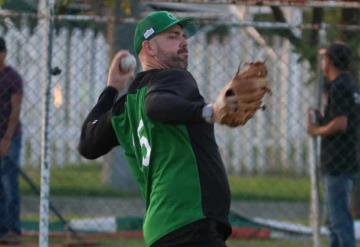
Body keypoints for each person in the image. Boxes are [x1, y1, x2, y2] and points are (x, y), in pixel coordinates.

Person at [79, 11, 265, 247]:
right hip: (189, 222)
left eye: (183, 36)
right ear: (150, 47)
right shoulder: (174, 78)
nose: (183, 42)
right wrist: (210, 111)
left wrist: (111, 89)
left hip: (163, 230)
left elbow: (88, 143)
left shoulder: (124, 109)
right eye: (172, 36)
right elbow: (155, 105)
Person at [307, 41, 360, 247]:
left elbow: (340, 123)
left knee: (338, 218)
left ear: (329, 61)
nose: (322, 62)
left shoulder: (339, 87)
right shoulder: (350, 84)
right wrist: (321, 119)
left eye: (323, 58)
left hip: (337, 162)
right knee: (333, 219)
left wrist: (316, 130)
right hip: (347, 158)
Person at [0, 37, 23, 244]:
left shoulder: (12, 78)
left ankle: (13, 229)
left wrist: (7, 138)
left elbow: (15, 111)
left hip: (10, 135)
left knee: (9, 182)